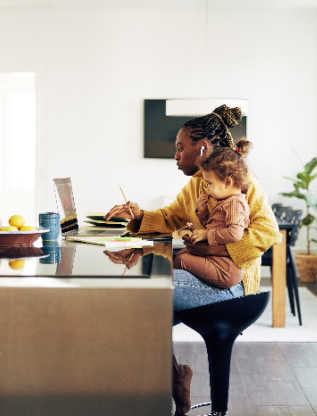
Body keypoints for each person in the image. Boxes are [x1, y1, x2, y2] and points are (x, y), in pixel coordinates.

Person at [105, 104, 280, 415]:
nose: (176, 156)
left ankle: (167, 384)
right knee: (143, 295)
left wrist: (215, 250)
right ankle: (173, 380)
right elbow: (171, 217)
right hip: (206, 270)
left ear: (202, 148)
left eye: (179, 148)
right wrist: (138, 215)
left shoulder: (238, 181)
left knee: (147, 296)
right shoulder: (198, 182)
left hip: (233, 285)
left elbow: (268, 231)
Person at [174, 142, 252, 290]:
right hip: (216, 260)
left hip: (225, 269)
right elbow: (214, 225)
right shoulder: (224, 201)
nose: (207, 189)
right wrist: (202, 211)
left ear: (228, 182)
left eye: (209, 183)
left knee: (181, 259)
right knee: (181, 254)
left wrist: (206, 234)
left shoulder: (235, 203)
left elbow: (235, 233)